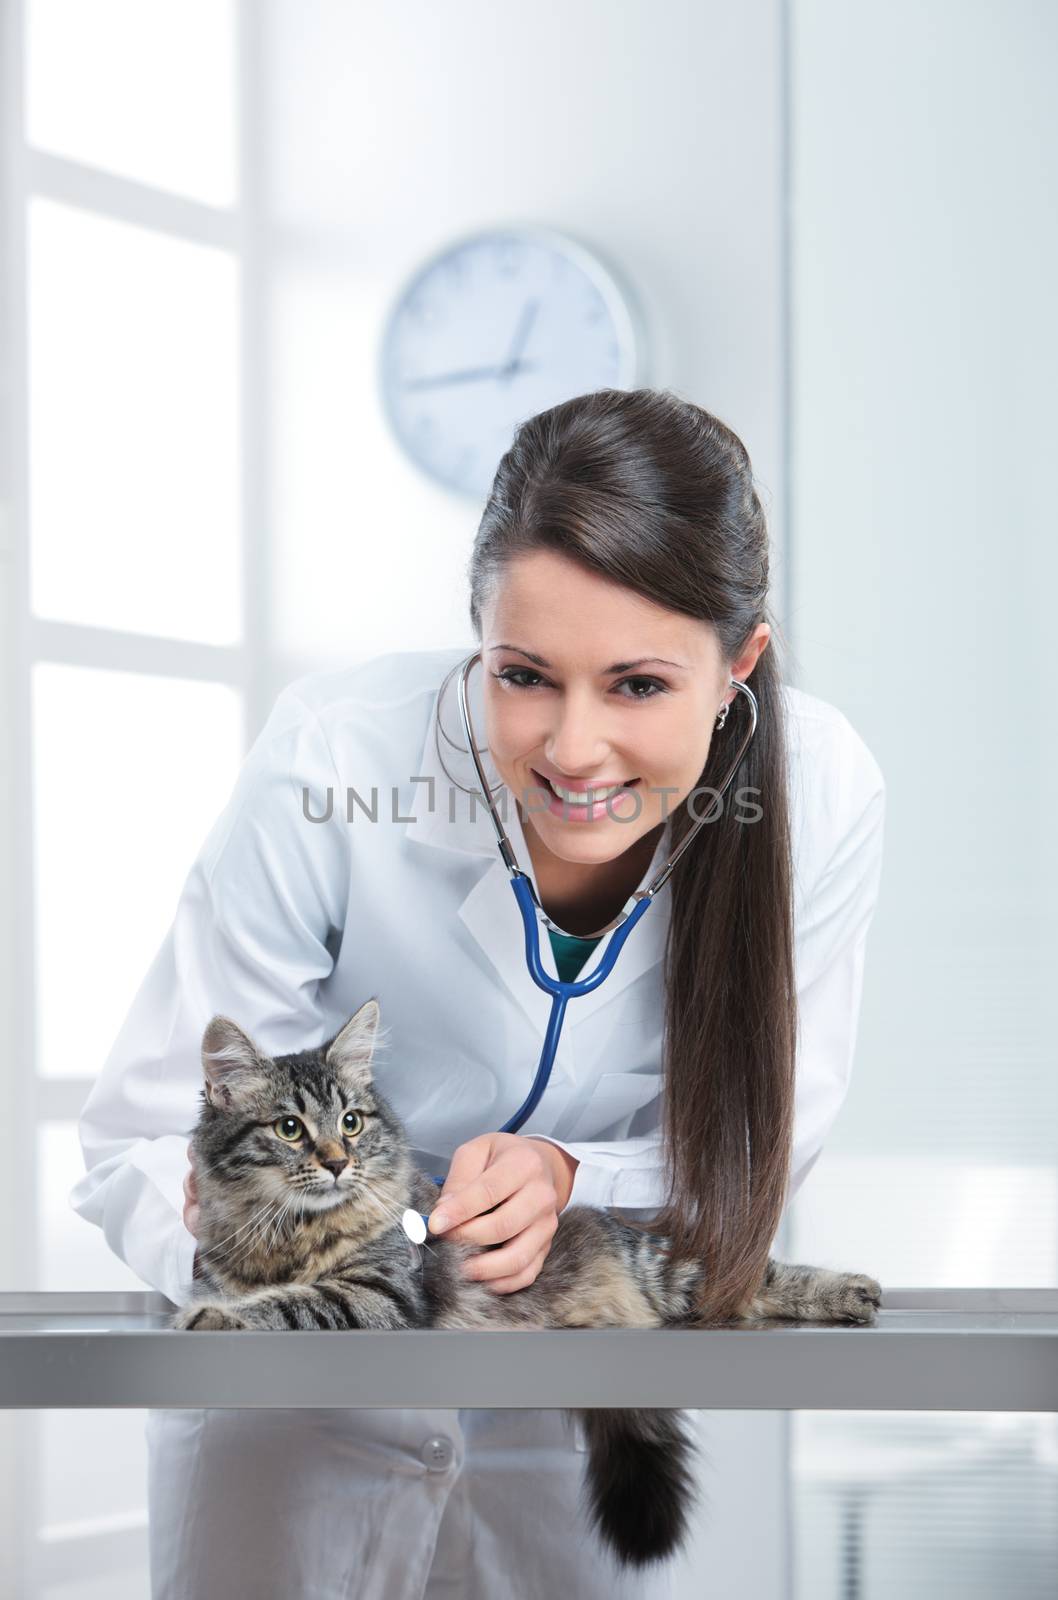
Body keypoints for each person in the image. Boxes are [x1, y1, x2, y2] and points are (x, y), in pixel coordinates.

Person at [69, 387, 886, 1599]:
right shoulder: (337, 756)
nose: (570, 746)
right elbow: (137, 1132)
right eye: (522, 674)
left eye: (639, 686)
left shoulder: (815, 795)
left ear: (738, 666)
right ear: (474, 639)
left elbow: (755, 1155)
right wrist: (237, 1229)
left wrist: (572, 1174)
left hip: (560, 1404)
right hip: (291, 1405)